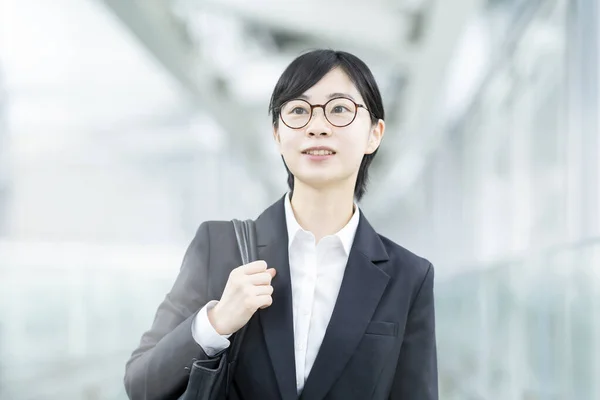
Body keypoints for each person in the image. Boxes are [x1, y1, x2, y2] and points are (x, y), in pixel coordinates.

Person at [124, 49, 438, 400]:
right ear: (277, 134)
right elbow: (142, 384)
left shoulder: (408, 277)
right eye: (298, 111)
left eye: (339, 110)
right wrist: (216, 322)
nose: (317, 127)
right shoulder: (219, 247)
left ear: (374, 134)